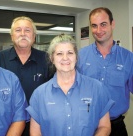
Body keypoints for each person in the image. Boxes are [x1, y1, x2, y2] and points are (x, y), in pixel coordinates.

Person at [26, 34, 114, 136]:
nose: (65, 58)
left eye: (70, 53)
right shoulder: (39, 94)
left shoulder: (97, 88)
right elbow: (35, 133)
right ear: (52, 58)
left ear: (76, 57)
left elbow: (105, 126)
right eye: (59, 54)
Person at [77, 7, 133, 136]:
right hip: (86, 126)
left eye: (103, 24)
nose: (98, 30)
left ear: (112, 24)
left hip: (116, 127)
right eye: (94, 26)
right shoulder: (80, 57)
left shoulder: (128, 58)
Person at [0, 16, 53, 136]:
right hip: (6, 126)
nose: (23, 34)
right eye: (18, 30)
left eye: (27, 30)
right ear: (12, 35)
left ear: (34, 36)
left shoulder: (46, 59)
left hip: (38, 124)